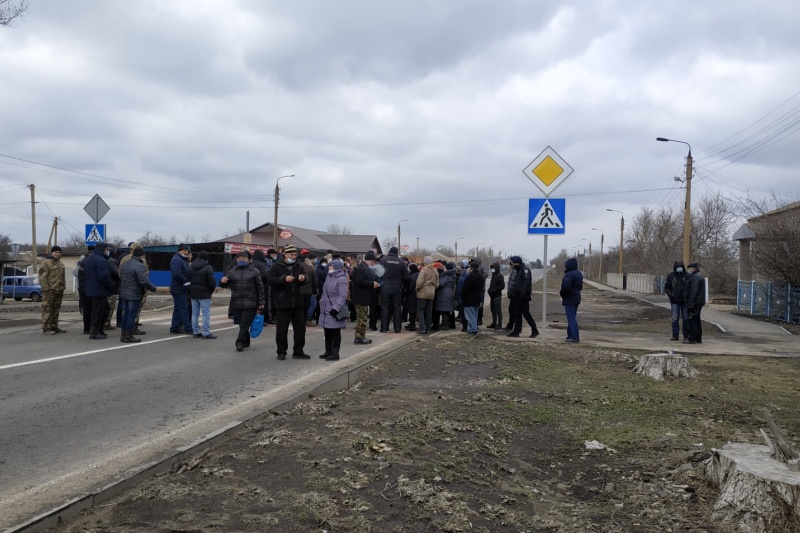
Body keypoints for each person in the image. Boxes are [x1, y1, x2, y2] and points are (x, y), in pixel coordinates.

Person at [267, 244, 309, 360]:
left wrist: (303, 278)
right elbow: (270, 280)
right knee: (282, 329)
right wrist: (283, 279)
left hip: (297, 303)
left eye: (295, 254)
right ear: (285, 254)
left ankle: (298, 351)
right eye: (291, 254)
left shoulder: (298, 266)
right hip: (282, 302)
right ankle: (281, 351)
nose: (294, 257)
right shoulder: (276, 266)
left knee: (300, 328)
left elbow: (305, 277)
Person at [220, 250, 265, 352]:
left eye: (243, 259)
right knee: (241, 323)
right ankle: (246, 341)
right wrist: (222, 281)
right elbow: (225, 284)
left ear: (249, 260)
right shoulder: (232, 272)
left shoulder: (254, 271)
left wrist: (261, 302)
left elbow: (260, 288)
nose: (241, 261)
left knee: (244, 323)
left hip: (250, 302)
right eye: (239, 259)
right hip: (236, 302)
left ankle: (239, 342)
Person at [118, 247, 157, 343]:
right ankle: (129, 336)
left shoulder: (125, 264)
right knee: (132, 315)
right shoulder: (140, 266)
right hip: (134, 294)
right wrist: (153, 288)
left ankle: (123, 335)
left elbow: (121, 277)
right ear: (141, 255)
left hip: (124, 293)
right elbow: (143, 281)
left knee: (126, 314)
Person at [317, 259, 349, 360]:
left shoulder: (342, 279)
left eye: (331, 266)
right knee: (327, 331)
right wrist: (321, 302)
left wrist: (336, 308)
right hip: (326, 308)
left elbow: (342, 295)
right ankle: (328, 351)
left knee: (335, 331)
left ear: (336, 267)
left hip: (334, 309)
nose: (329, 267)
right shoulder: (328, 277)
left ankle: (335, 353)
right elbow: (324, 292)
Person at [83, 242, 116, 339]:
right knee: (98, 311)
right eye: (107, 250)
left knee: (105, 309)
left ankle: (99, 329)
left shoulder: (89, 259)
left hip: (91, 288)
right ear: (104, 250)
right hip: (99, 290)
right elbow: (103, 276)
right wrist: (110, 286)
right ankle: (94, 331)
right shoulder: (101, 260)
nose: (108, 251)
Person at [507, 256, 539, 338]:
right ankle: (516, 331)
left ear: (517, 262)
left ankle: (534, 330)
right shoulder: (518, 271)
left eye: (512, 262)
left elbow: (526, 283)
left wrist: (522, 294)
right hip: (517, 296)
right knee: (517, 314)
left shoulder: (525, 270)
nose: (511, 264)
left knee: (526, 314)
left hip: (522, 297)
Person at [351, 251, 379, 344]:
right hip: (360, 297)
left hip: (363, 297)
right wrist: (372, 283)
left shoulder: (364, 267)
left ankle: (361, 336)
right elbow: (360, 281)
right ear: (370, 260)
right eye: (373, 261)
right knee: (362, 318)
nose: (373, 263)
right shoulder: (361, 268)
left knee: (363, 318)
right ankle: (359, 338)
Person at [189, 250, 217, 339]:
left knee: (194, 313)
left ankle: (195, 331)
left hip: (193, 293)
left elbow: (188, 280)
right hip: (204, 293)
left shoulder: (191, 266)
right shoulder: (208, 267)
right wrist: (210, 291)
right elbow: (212, 282)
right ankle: (206, 333)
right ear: (206, 258)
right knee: (205, 313)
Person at [38, 245, 66, 334]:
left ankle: (54, 326)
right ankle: (46, 328)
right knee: (47, 309)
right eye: (56, 252)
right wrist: (47, 289)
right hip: (50, 291)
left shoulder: (60, 264)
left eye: (59, 252)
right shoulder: (46, 263)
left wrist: (63, 287)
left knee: (56, 309)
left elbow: (62, 277)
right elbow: (42, 277)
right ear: (52, 253)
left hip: (59, 290)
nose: (57, 254)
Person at [379, 246, 408, 333]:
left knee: (385, 307)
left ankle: (384, 328)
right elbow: (406, 277)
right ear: (397, 252)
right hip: (397, 286)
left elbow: (377, 273)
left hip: (385, 286)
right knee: (397, 307)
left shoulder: (383, 260)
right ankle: (397, 329)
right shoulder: (402, 262)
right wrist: (401, 283)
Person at [169, 244, 193, 334]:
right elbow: (176, 273)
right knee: (184, 308)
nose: (186, 252)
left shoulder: (182, 260)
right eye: (184, 251)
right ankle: (188, 328)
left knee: (178, 309)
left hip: (181, 288)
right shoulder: (176, 260)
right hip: (179, 288)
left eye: (187, 251)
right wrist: (186, 282)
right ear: (179, 251)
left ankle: (174, 327)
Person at [664, 261, 689, 341]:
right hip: (674, 301)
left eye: (681, 266)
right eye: (678, 266)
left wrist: (688, 297)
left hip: (685, 301)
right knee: (675, 319)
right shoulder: (671, 276)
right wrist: (671, 295)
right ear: (675, 267)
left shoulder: (687, 276)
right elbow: (667, 288)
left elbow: (690, 288)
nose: (679, 268)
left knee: (686, 319)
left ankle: (686, 336)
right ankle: (675, 335)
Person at [560, 257, 583, 343]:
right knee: (572, 317)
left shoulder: (569, 275)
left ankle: (575, 337)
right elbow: (580, 287)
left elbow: (566, 287)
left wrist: (562, 293)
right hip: (577, 297)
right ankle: (570, 335)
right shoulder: (579, 274)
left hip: (569, 298)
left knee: (571, 318)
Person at [415, 256, 439, 334]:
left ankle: (422, 328)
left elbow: (419, 282)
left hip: (423, 292)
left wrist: (417, 289)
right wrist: (432, 288)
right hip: (431, 292)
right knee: (429, 311)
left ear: (425, 262)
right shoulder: (435, 271)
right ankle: (428, 328)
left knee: (420, 310)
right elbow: (437, 284)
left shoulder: (424, 270)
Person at [683, 262, 705, 344]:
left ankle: (692, 338)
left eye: (690, 269)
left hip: (695, 302)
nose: (689, 270)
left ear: (692, 268)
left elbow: (694, 291)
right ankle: (698, 338)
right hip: (698, 301)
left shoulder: (695, 277)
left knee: (692, 320)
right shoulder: (699, 276)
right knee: (697, 319)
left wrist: (691, 303)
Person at [460, 262, 485, 335]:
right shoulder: (480, 276)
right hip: (477, 298)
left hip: (469, 299)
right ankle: (471, 329)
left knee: (469, 316)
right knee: (474, 315)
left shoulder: (470, 276)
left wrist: (462, 295)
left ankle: (474, 329)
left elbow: (466, 288)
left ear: (471, 268)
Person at [434, 262, 457, 330]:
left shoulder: (446, 276)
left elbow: (440, 284)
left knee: (444, 310)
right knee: (447, 310)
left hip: (444, 294)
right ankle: (448, 323)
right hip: (448, 293)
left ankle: (445, 325)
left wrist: (435, 283)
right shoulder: (451, 275)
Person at [299, 250, 318, 327]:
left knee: (299, 308)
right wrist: (314, 291)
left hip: (297, 291)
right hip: (308, 291)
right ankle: (306, 320)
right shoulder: (311, 268)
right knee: (308, 306)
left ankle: (299, 322)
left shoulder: (294, 267)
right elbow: (315, 281)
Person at [104, 245, 121, 331]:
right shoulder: (111, 261)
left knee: (110, 306)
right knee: (110, 306)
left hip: (111, 287)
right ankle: (106, 323)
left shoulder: (109, 260)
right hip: (112, 288)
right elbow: (116, 273)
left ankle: (107, 323)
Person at [487, 262, 505, 330]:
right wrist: (489, 290)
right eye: (492, 268)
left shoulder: (500, 275)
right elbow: (492, 285)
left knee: (498, 310)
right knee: (493, 310)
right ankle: (494, 323)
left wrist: (494, 290)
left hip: (497, 295)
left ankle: (499, 324)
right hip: (492, 295)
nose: (492, 269)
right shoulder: (493, 275)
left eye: (493, 268)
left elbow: (502, 286)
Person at [403, 263, 419, 331]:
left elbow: (410, 287)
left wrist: (406, 293)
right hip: (417, 295)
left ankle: (412, 326)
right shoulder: (419, 274)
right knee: (414, 310)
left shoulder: (412, 276)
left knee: (411, 311)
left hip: (412, 295)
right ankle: (411, 324)